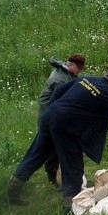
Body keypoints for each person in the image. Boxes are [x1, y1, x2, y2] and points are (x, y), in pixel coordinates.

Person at [7, 69, 108, 213]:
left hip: (50, 117)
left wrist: (54, 108)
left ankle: (13, 189)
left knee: (36, 153)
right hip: (67, 128)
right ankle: (68, 207)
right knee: (72, 165)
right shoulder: (107, 95)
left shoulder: (85, 79)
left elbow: (58, 91)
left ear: (106, 76)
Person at [38, 53, 86, 191]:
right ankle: (53, 178)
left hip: (55, 115)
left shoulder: (66, 74)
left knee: (56, 147)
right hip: (50, 117)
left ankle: (60, 176)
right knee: (51, 148)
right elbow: (62, 102)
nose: (80, 72)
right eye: (79, 69)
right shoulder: (61, 79)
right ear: (72, 66)